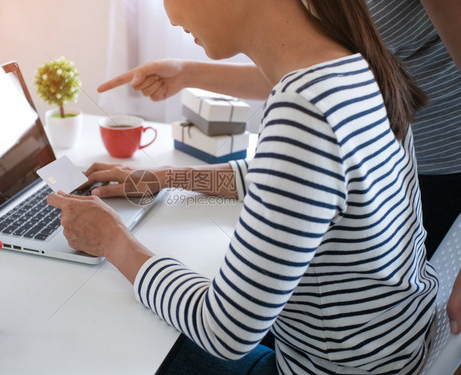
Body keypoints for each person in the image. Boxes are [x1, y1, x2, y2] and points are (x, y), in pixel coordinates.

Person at [48, 0, 438, 373]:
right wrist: (167, 177)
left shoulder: (304, 112)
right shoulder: (349, 65)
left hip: (327, 368)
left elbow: (225, 331)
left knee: (123, 330)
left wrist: (112, 239)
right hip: (389, 349)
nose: (168, 14)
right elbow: (285, 182)